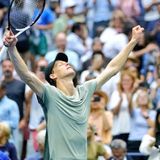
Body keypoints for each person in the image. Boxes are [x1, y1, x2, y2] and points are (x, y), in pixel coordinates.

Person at [3, 25, 144, 159]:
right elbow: (27, 75)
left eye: (66, 62)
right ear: (53, 76)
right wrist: (12, 48)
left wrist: (133, 41)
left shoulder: (85, 90)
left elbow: (112, 68)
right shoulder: (50, 94)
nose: (66, 63)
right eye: (59, 64)